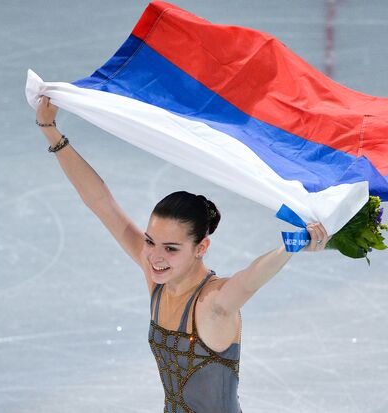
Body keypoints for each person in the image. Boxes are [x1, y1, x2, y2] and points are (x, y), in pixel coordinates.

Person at [35, 95, 331, 412]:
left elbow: (249, 280)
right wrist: (51, 131)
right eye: (150, 241)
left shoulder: (213, 303)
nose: (153, 256)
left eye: (171, 248)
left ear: (201, 248)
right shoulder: (159, 281)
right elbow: (102, 204)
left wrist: (290, 247)